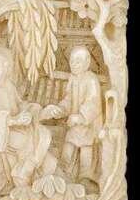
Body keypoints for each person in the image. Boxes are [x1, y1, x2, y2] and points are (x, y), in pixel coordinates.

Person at [0, 50, 57, 192]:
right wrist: (14, 120)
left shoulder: (8, 85)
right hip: (0, 133)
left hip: (14, 127)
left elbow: (19, 105)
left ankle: (31, 167)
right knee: (25, 139)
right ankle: (23, 172)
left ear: (6, 67)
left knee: (43, 132)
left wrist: (37, 111)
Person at [42, 46, 102, 182]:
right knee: (68, 144)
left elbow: (93, 102)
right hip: (74, 123)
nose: (74, 64)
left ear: (87, 62)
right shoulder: (73, 78)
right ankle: (63, 171)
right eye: (72, 61)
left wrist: (81, 117)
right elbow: (68, 99)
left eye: (78, 61)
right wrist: (61, 109)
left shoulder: (91, 80)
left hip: (88, 124)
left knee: (86, 147)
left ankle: (85, 176)